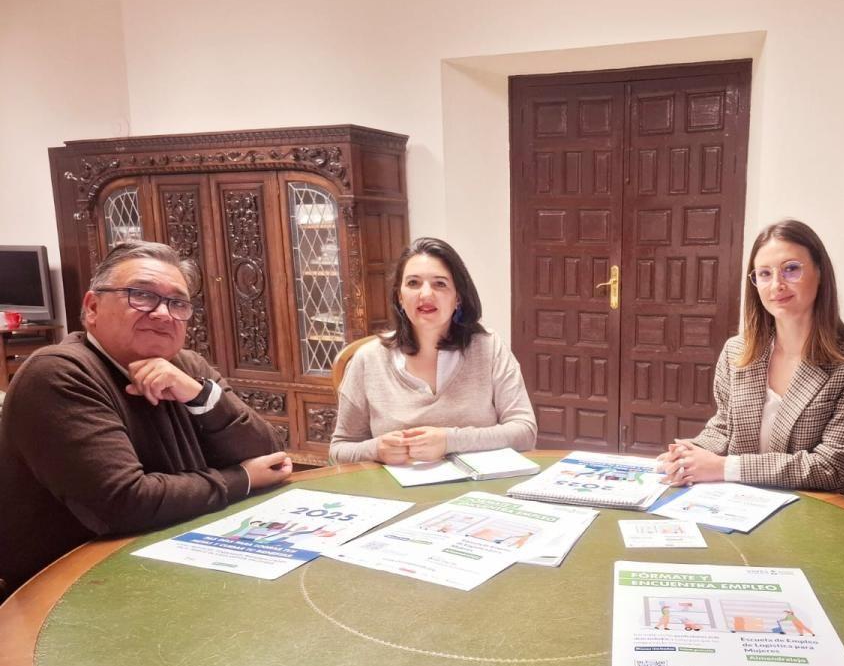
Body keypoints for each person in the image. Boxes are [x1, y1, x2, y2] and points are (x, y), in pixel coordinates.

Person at [0, 241, 290, 603]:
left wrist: (200, 395)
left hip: (176, 557)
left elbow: (269, 454)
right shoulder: (58, 373)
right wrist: (242, 478)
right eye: (141, 295)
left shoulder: (187, 367)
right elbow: (124, 504)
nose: (162, 313)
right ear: (92, 307)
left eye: (177, 303)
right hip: (75, 594)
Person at [657, 220, 844, 499]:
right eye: (764, 274)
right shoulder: (737, 351)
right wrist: (688, 455)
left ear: (820, 272)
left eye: (791, 269)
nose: (777, 285)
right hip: (745, 500)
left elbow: (831, 467)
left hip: (822, 507)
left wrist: (725, 467)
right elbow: (724, 427)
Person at [329, 237, 536, 464]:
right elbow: (339, 450)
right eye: (413, 283)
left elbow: (525, 432)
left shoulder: (488, 347)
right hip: (399, 495)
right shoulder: (368, 359)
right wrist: (376, 449)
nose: (425, 294)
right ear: (399, 296)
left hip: (477, 490)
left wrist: (448, 441)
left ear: (458, 297)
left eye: (440, 284)